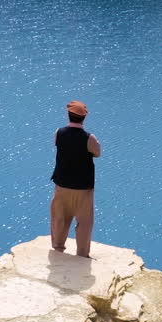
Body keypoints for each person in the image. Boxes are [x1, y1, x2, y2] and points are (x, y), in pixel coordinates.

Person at [50, 100, 101, 257]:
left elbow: (57, 145)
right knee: (84, 222)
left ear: (68, 115)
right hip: (82, 187)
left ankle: (58, 248)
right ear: (84, 118)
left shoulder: (59, 133)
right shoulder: (89, 138)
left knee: (60, 217)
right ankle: (82, 254)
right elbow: (97, 153)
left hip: (62, 184)